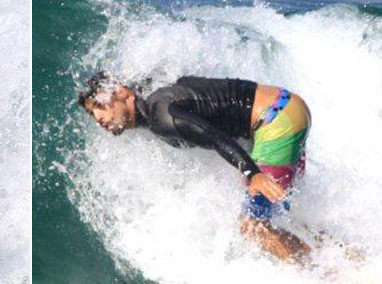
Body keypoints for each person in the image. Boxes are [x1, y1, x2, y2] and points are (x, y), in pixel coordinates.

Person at [78, 72, 312, 264]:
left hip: (275, 120)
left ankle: (324, 278)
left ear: (121, 92)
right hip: (283, 110)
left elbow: (212, 136)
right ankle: (340, 259)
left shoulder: (162, 116)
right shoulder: (153, 95)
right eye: (92, 113)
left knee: (253, 226)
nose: (98, 118)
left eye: (99, 106)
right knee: (278, 217)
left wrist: (253, 173)